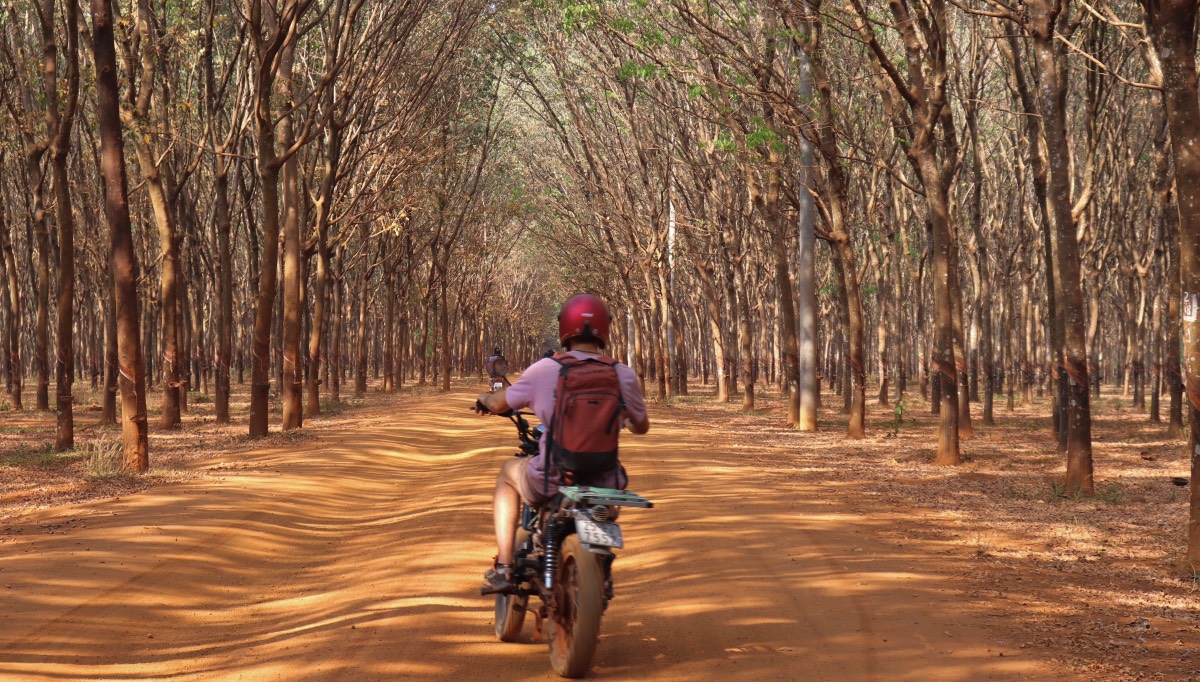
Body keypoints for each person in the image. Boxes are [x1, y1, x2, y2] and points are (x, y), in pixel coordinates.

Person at [475, 294, 649, 593]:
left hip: (552, 477)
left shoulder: (544, 369)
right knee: (607, 510)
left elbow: (502, 402)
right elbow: (641, 426)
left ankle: (504, 567)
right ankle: (600, 567)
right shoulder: (623, 374)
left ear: (564, 329)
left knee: (507, 474)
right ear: (605, 330)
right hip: (606, 481)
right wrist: (623, 417)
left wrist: (485, 401)